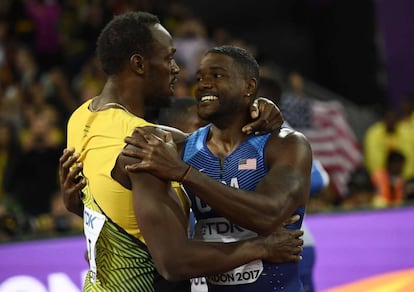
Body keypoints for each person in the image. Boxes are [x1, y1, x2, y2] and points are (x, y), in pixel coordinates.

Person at [61, 12, 303, 292]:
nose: (177, 68)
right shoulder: (145, 142)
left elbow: (112, 211)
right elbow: (173, 262)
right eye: (168, 58)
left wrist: (250, 106)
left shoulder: (81, 118)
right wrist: (262, 247)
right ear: (139, 64)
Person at [120, 45, 313, 291]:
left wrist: (185, 174)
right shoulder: (180, 147)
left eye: (217, 75)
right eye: (199, 78)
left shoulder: (285, 144)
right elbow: (130, 144)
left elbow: (268, 216)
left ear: (249, 86)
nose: (203, 84)